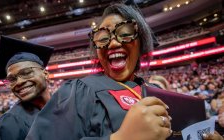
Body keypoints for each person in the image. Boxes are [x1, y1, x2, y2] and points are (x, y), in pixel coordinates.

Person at [26, 1, 223, 140]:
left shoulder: (158, 92)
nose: (112, 43)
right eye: (103, 37)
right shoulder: (76, 92)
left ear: (141, 43)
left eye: (125, 33)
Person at [0, 36, 54, 140]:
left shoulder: (65, 106)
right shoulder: (8, 125)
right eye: (12, 79)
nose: (19, 82)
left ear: (45, 74)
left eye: (26, 73)